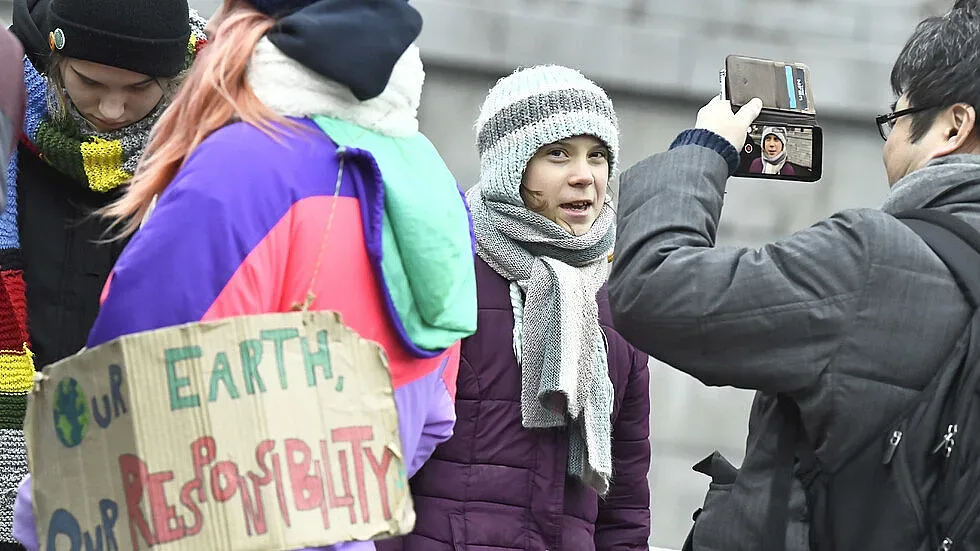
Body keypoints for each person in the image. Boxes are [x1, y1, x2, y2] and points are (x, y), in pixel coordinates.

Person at [11, 0, 476, 549]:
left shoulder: (237, 169)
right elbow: (433, 416)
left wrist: (35, 517)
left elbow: (124, 395)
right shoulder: (433, 184)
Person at [608, 1, 980, 549]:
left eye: (894, 120)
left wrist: (704, 148)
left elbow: (651, 284)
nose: (889, 145)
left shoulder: (872, 260)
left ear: (953, 125)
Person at [377, 65, 651, 551]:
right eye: (558, 154)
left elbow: (625, 499)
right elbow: (387, 445)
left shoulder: (617, 295)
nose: (584, 177)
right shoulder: (449, 265)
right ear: (511, 164)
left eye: (598, 156)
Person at [0, 0, 206, 548]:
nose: (113, 109)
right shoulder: (5, 117)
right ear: (54, 58)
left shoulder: (209, 150)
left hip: (142, 480)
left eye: (140, 88)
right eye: (89, 82)